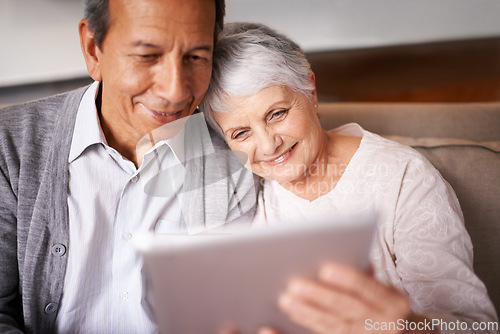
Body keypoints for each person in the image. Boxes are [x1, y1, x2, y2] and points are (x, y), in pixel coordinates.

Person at [200, 22, 498, 334]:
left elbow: (478, 327)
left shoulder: (403, 176)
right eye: (241, 133)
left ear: (310, 90)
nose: (267, 145)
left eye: (277, 114)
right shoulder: (245, 195)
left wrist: (404, 327)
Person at [0, 1, 258, 332]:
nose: (175, 90)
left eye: (196, 57)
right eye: (147, 56)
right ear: (94, 50)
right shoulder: (10, 146)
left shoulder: (233, 151)